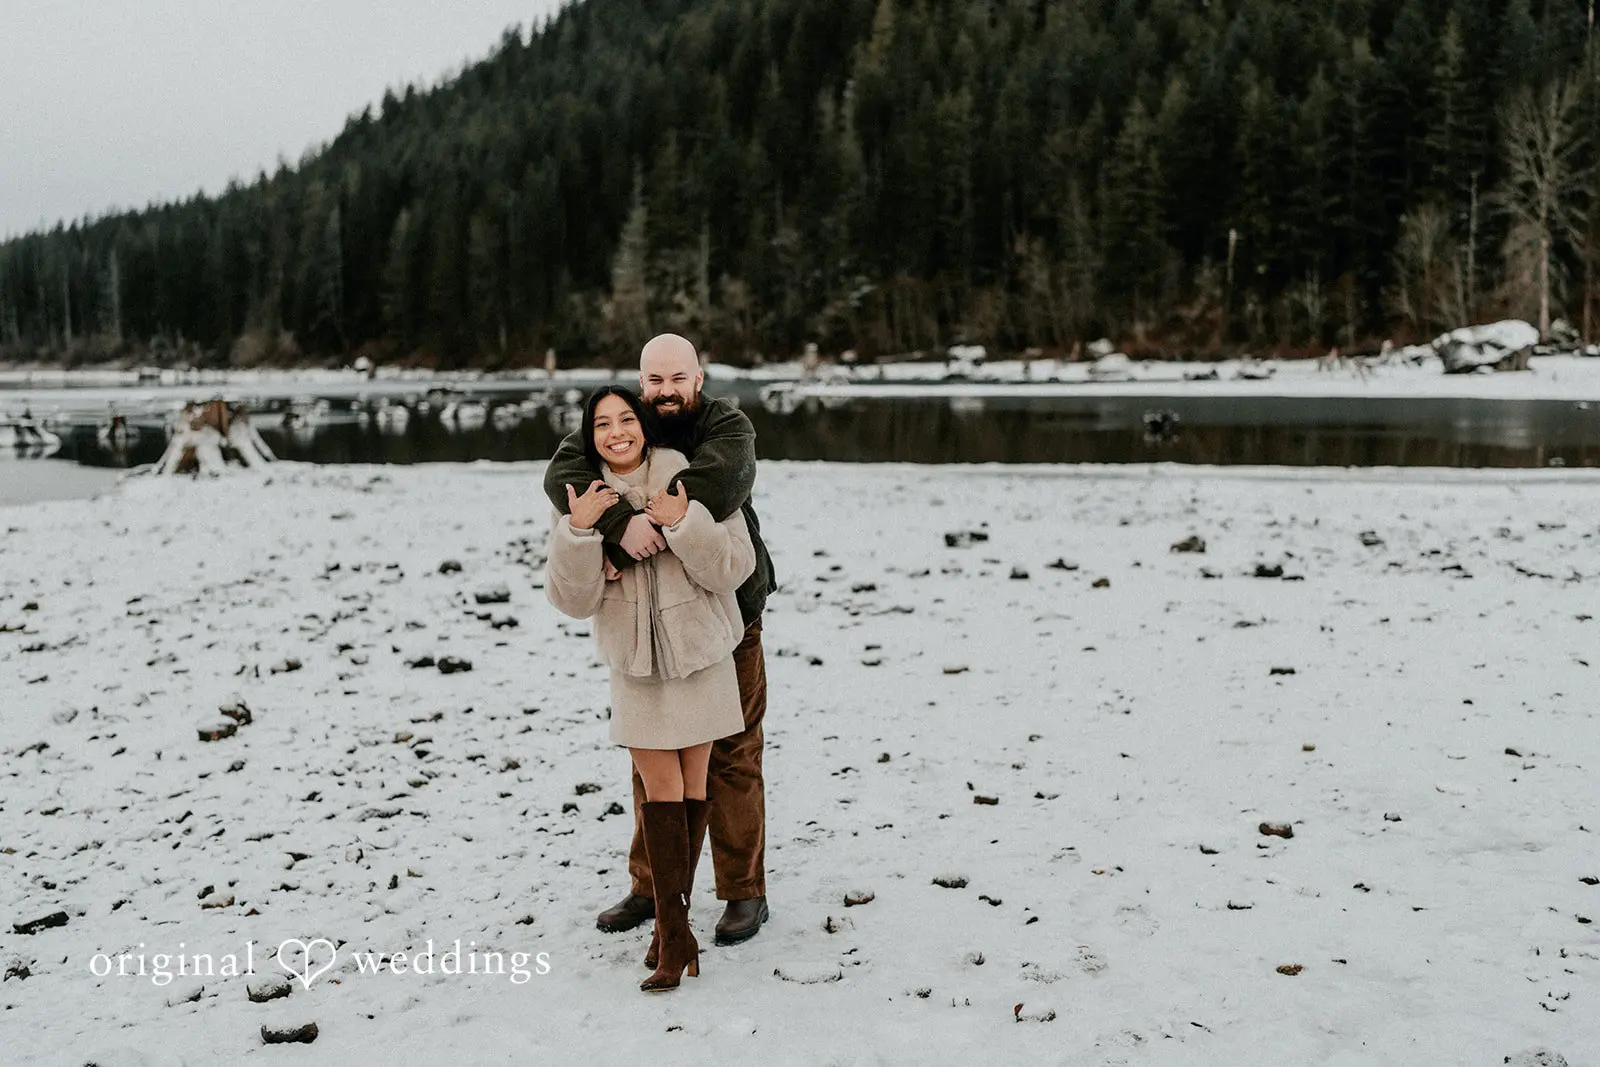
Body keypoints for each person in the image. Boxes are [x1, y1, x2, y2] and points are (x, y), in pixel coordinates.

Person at [543, 333, 776, 947]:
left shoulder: (727, 427)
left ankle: (742, 892)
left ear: (698, 379)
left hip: (729, 613)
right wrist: (614, 528)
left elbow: (715, 490)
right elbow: (565, 472)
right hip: (644, 626)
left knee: (732, 753)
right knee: (651, 762)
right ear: (642, 383)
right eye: (655, 381)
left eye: (678, 379)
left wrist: (644, 516)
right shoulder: (627, 418)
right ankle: (653, 886)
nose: (665, 391)